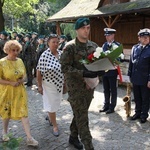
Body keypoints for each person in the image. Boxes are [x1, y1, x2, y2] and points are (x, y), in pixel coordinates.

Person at [60, 17, 100, 150]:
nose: (86, 30)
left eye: (88, 28)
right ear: (77, 30)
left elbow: (97, 64)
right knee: (82, 117)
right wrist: (82, 73)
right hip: (75, 89)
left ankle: (73, 136)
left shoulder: (93, 46)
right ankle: (89, 146)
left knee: (80, 113)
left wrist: (102, 71)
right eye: (83, 28)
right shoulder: (70, 47)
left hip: (90, 87)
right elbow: (64, 68)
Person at [0, 40, 38, 146]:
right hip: (7, 91)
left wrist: (22, 80)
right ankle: (5, 132)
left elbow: (25, 75)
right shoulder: (2, 62)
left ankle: (29, 138)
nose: (16, 52)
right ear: (7, 50)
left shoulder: (20, 61)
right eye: (13, 50)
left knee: (23, 113)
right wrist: (10, 83)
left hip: (19, 91)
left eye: (17, 50)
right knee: (6, 113)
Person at [36, 34, 64, 137]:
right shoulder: (45, 55)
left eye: (57, 42)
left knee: (55, 103)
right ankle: (55, 125)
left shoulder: (61, 54)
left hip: (59, 84)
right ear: (48, 43)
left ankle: (49, 115)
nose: (56, 44)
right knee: (52, 105)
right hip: (48, 85)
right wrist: (39, 86)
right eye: (53, 42)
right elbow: (39, 71)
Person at [128, 28, 150, 123]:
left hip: (145, 78)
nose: (145, 39)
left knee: (145, 98)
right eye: (143, 37)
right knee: (136, 97)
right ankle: (137, 112)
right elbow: (131, 62)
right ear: (139, 38)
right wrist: (129, 75)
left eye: (147, 37)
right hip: (135, 77)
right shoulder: (135, 48)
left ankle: (144, 115)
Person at [99, 28, 121, 114]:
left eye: (108, 35)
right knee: (105, 89)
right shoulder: (104, 45)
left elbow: (120, 58)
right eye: (106, 35)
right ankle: (106, 105)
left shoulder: (117, 45)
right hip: (105, 71)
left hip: (112, 71)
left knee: (113, 89)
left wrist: (115, 60)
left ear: (113, 35)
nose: (107, 37)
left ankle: (112, 106)